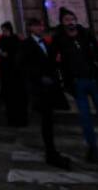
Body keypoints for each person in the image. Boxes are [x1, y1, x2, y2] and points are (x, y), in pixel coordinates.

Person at [51, 8, 98, 166]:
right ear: (62, 23)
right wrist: (62, 78)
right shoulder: (59, 39)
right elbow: (53, 61)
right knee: (86, 120)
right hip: (77, 83)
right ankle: (93, 150)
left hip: (95, 80)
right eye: (67, 20)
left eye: (72, 18)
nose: (70, 22)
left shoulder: (86, 35)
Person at [21, 17, 71, 169]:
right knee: (46, 121)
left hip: (50, 87)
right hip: (40, 88)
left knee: (49, 121)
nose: (41, 28)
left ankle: (52, 151)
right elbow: (23, 65)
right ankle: (51, 152)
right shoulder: (26, 45)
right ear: (31, 28)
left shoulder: (46, 43)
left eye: (41, 25)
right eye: (38, 25)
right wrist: (39, 77)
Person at [0, 21, 28, 127]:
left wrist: (6, 54)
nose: (4, 32)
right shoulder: (1, 40)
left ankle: (21, 119)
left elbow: (18, 52)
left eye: (5, 30)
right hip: (6, 70)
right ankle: (11, 119)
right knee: (9, 97)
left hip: (15, 71)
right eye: (3, 30)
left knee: (18, 96)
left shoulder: (16, 39)